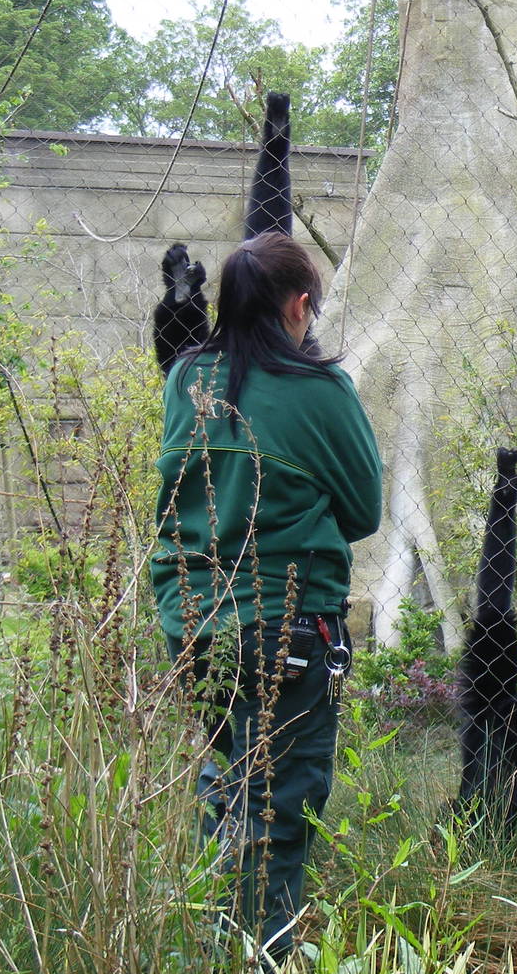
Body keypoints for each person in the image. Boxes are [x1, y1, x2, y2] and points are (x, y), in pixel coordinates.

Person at [151, 232, 383, 963]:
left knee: (225, 787)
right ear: (299, 305)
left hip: (189, 621)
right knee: (279, 812)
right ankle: (257, 954)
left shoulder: (186, 377)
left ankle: (212, 945)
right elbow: (364, 511)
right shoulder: (319, 391)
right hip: (283, 628)